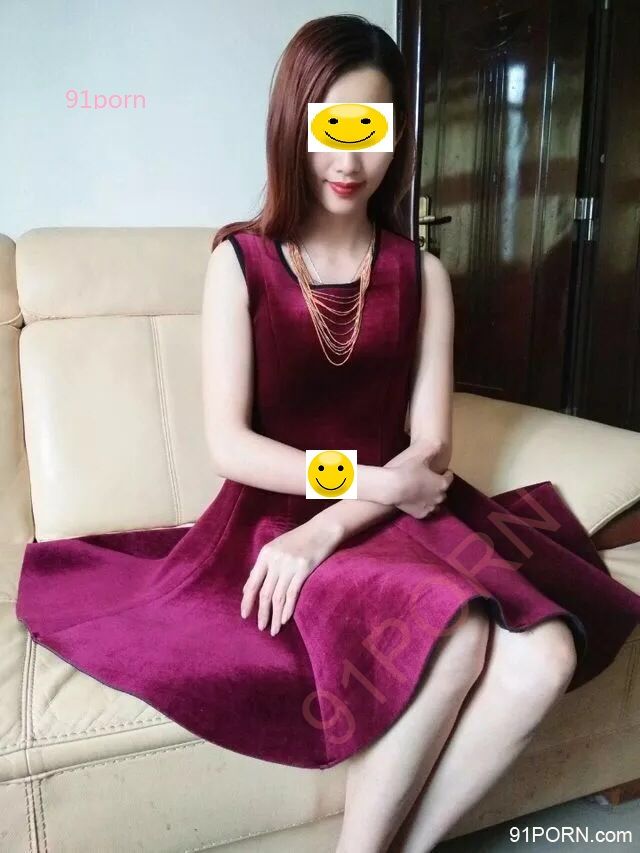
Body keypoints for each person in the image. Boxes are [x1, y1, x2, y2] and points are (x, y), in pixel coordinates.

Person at [16, 14, 640, 853]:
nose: (348, 159)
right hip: (274, 518)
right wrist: (366, 487)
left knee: (549, 654)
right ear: (293, 126)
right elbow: (232, 445)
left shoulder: (423, 275)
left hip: (401, 517)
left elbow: (430, 454)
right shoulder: (241, 261)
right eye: (331, 128)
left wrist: (337, 521)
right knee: (453, 634)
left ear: (396, 136)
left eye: (369, 130)